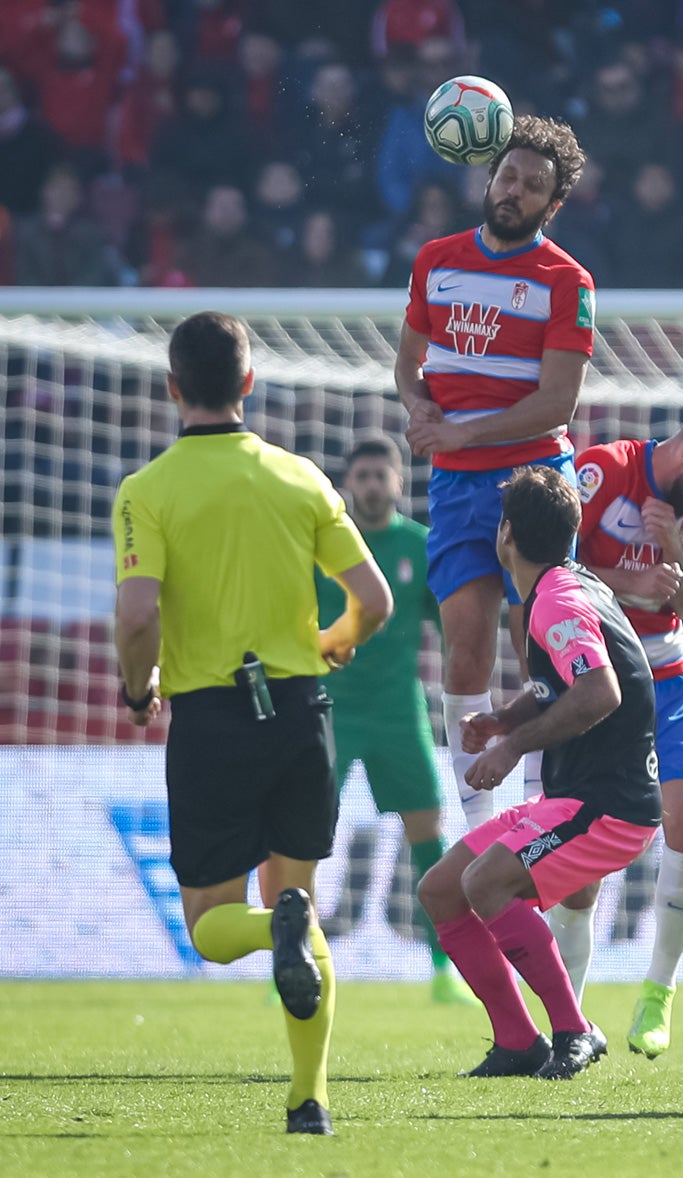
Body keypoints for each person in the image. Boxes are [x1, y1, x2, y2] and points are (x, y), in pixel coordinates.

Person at [112, 312, 393, 1134]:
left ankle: (281, 928)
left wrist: (139, 693)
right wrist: (334, 645)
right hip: (303, 715)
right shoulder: (302, 477)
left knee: (210, 928)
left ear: (172, 388)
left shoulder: (148, 491)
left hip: (211, 719)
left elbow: (136, 617)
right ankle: (311, 1101)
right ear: (249, 384)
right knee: (298, 899)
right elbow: (370, 602)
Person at [417, 465, 661, 1080]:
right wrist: (503, 719)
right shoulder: (568, 585)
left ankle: (575, 1030)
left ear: (504, 535)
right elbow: (560, 684)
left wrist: (511, 749)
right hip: (575, 798)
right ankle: (517, 1042)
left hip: (608, 807)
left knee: (484, 885)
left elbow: (599, 691)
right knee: (441, 889)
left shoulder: (556, 600)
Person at [395, 114, 591, 831]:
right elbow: (408, 362)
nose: (514, 190)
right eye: (508, 175)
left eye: (533, 185)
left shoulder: (566, 281)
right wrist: (419, 408)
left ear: (552, 205)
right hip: (454, 485)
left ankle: (543, 813)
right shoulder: (436, 260)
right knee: (464, 653)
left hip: (533, 484)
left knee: (534, 652)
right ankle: (478, 830)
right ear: (489, 176)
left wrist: (460, 428)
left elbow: (557, 403)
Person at [551, 409, 683, 1058]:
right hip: (599, 682)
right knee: (581, 873)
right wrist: (631, 584)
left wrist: (672, 550)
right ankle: (569, 1023)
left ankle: (658, 994)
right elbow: (550, 576)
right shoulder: (598, 474)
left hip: (667, 678)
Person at [314, 434, 473, 1005]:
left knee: (426, 828)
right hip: (325, 709)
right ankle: (297, 962)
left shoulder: (419, 546)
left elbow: (455, 630)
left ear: (399, 482)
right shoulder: (322, 547)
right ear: (348, 484)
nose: (374, 486)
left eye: (383, 476)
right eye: (364, 477)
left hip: (397, 710)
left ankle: (442, 967)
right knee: (303, 834)